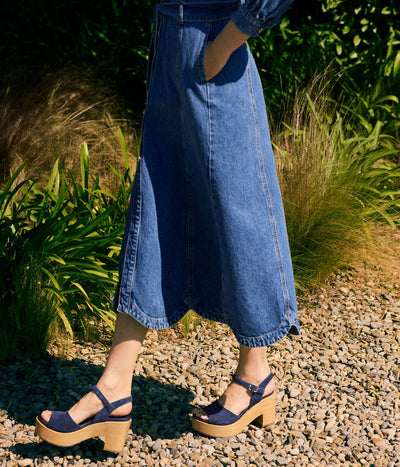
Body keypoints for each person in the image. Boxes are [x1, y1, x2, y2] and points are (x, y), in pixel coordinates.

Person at [36, 0, 300, 452]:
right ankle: (115, 386)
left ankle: (254, 375)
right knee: (155, 208)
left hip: (215, 45)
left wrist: (225, 43)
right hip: (170, 42)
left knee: (240, 210)